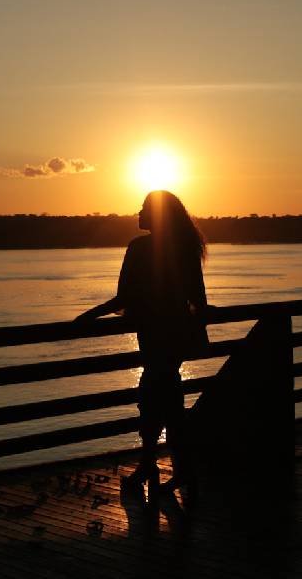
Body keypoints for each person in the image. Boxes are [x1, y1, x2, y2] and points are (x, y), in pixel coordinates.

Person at [76, 190, 208, 497]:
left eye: (145, 208)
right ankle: (171, 470)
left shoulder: (139, 248)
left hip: (154, 335)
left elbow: (125, 298)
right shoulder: (186, 247)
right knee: (168, 403)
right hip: (175, 337)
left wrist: (91, 314)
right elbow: (198, 298)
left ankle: (155, 468)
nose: (139, 213)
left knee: (154, 402)